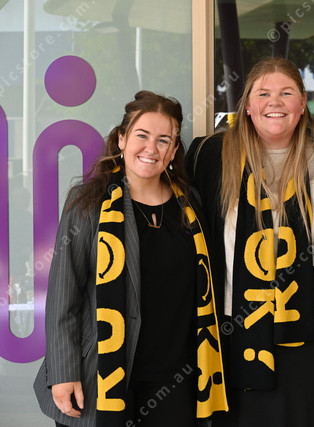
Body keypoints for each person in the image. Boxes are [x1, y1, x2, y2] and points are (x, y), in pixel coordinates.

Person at [33, 91, 227, 426]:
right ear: (122, 139)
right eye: (142, 135)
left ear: (174, 150)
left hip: (176, 380)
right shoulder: (88, 203)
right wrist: (63, 373)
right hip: (102, 374)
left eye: (164, 140)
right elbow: (64, 297)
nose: (151, 148)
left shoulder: (190, 203)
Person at [186, 57, 314, 427]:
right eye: (263, 93)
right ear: (248, 105)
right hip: (235, 332)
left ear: (302, 103)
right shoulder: (209, 156)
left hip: (310, 338)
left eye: (286, 93)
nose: (274, 102)